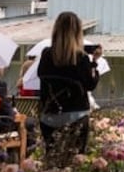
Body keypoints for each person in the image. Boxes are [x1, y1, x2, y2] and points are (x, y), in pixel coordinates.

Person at [37, 11, 101, 156]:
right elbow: (90, 85)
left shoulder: (46, 55)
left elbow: (42, 75)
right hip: (76, 115)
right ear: (78, 32)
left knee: (52, 156)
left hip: (49, 115)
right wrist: (94, 63)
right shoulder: (82, 58)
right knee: (75, 159)